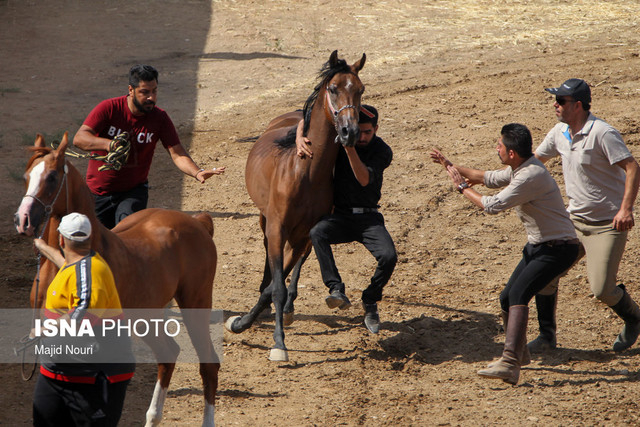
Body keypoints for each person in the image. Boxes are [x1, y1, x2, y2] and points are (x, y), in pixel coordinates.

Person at [431, 123, 580, 385]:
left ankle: (510, 363)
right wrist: (449, 165)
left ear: (511, 153)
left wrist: (461, 188)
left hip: (558, 249)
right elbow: (486, 177)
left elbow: (492, 205)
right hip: (540, 246)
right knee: (506, 298)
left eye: (499, 145)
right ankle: (520, 354)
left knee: (518, 294)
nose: (496, 148)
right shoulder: (522, 167)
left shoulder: (529, 176)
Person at [530, 78, 640, 353]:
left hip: (607, 225)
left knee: (602, 288)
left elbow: (632, 167)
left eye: (561, 101)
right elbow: (532, 163)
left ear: (578, 105)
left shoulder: (602, 133)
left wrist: (625, 209)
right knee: (545, 275)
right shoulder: (559, 133)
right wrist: (486, 179)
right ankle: (546, 336)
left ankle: (635, 318)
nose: (555, 105)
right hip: (572, 222)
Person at [73, 64, 225, 228]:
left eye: (154, 91)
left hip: (132, 193)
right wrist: (110, 144)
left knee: (126, 234)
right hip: (96, 193)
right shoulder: (109, 109)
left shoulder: (160, 119)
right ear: (131, 90)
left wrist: (197, 172)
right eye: (145, 92)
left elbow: (177, 153)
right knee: (94, 244)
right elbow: (79, 138)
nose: (151, 97)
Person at [296, 105, 397, 334]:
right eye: (357, 131)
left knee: (389, 256)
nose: (361, 137)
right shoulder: (340, 136)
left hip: (369, 218)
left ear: (376, 129)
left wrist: (349, 148)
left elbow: (363, 179)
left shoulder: (382, 151)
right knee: (317, 233)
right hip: (340, 216)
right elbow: (305, 116)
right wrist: (299, 138)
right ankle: (335, 288)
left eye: (367, 132)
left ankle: (370, 299)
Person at [32, 213, 135, 426]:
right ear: (90, 239)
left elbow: (83, 313)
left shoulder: (92, 271)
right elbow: (67, 263)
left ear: (61, 240)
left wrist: (46, 328)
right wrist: (42, 247)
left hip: (92, 378)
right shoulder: (81, 264)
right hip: (59, 373)